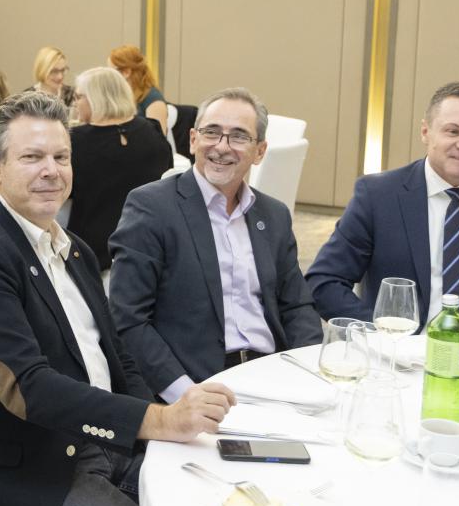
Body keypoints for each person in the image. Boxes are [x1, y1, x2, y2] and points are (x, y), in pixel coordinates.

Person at [0, 91, 235, 506]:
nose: (50, 171)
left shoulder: (74, 250)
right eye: (32, 157)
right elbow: (28, 389)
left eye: (61, 157)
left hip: (104, 443)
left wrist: (154, 433)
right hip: (32, 475)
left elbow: (119, 357)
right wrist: (158, 419)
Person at [108, 87, 322, 401]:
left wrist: (307, 372)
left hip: (273, 375)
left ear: (260, 151)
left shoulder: (273, 215)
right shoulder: (152, 208)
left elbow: (297, 306)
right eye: (211, 132)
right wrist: (185, 394)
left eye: (238, 136)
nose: (222, 147)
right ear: (193, 139)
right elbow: (127, 318)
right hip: (197, 381)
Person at [306, 81, 459, 332]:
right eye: (453, 131)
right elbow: (325, 282)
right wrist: (382, 334)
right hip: (402, 348)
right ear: (425, 132)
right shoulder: (378, 196)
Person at [68, 67, 173, 271]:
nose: (75, 103)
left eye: (78, 97)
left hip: (92, 255)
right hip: (149, 247)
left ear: (97, 98)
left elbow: (62, 192)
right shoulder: (153, 130)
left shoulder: (75, 141)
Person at [109, 44, 168, 134]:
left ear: (126, 72)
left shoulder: (153, 99)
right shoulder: (120, 97)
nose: (108, 76)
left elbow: (157, 138)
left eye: (111, 72)